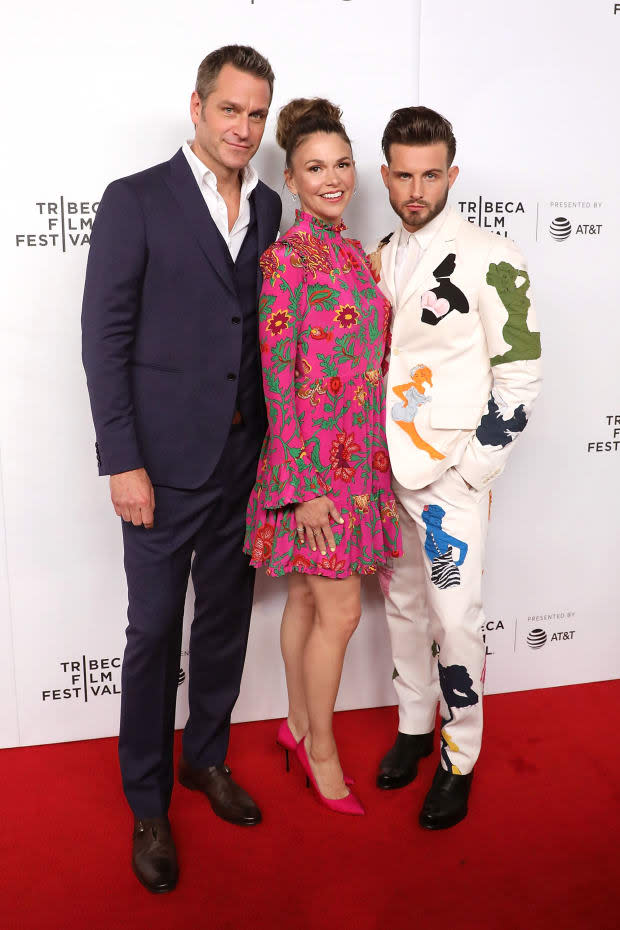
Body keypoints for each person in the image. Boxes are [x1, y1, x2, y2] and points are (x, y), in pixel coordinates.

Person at [81, 46, 281, 892]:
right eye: (230, 110)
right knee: (153, 634)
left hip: (245, 459)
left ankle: (206, 759)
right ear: (196, 107)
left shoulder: (271, 206)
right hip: (159, 467)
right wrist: (122, 460)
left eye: (257, 115)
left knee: (225, 621)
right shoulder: (135, 201)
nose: (243, 128)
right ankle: (149, 801)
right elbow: (105, 339)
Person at [368, 106, 542, 829]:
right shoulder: (375, 255)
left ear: (452, 174)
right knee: (404, 608)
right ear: (384, 175)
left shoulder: (491, 255)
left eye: (431, 174)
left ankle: (459, 754)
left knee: (455, 620)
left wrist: (473, 472)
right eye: (404, 175)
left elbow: (522, 378)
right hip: (383, 470)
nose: (417, 189)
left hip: (449, 477)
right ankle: (414, 726)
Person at [244, 98, 401, 816]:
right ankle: (321, 748)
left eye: (341, 164)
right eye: (315, 167)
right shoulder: (285, 260)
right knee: (340, 614)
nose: (333, 177)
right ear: (290, 178)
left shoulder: (349, 250)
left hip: (358, 461)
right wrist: (304, 489)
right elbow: (280, 382)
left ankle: (296, 726)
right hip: (316, 472)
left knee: (311, 599)